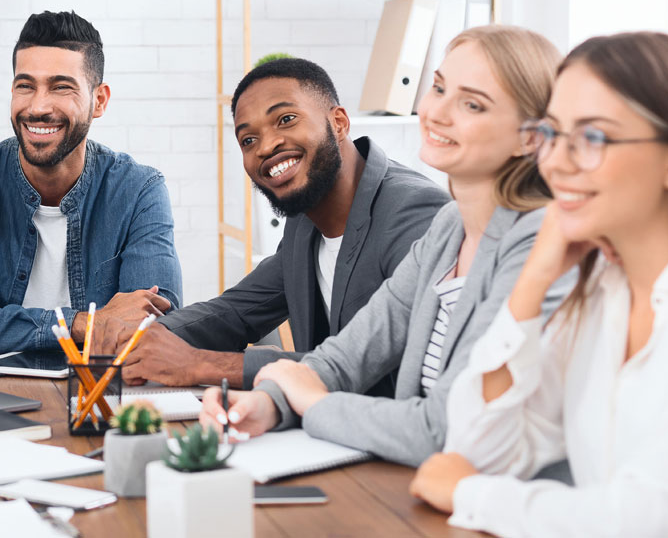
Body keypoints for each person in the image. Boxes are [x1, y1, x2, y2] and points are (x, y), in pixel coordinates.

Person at [199, 26, 574, 466]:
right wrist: (267, 404)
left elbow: (444, 428)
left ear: (530, 137)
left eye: (471, 103)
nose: (437, 112)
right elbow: (346, 358)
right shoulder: (451, 228)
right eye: (438, 88)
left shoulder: (537, 243)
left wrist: (314, 405)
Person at [410, 31, 668, 537]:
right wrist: (533, 278)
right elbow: (483, 448)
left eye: (593, 137)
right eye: (552, 133)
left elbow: (649, 518)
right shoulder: (600, 294)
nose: (555, 161)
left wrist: (471, 494)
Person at [95, 58, 450, 391]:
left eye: (285, 120)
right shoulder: (305, 223)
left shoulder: (415, 213)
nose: (266, 147)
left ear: (339, 122)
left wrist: (201, 364)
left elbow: (374, 367)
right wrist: (140, 339)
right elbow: (236, 311)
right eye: (248, 140)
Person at [0, 10, 182, 356]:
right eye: (25, 86)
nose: (38, 106)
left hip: (98, 389)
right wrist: (80, 323)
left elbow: (152, 323)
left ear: (99, 101)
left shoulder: (139, 190)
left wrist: (2, 326)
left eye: (61, 87)